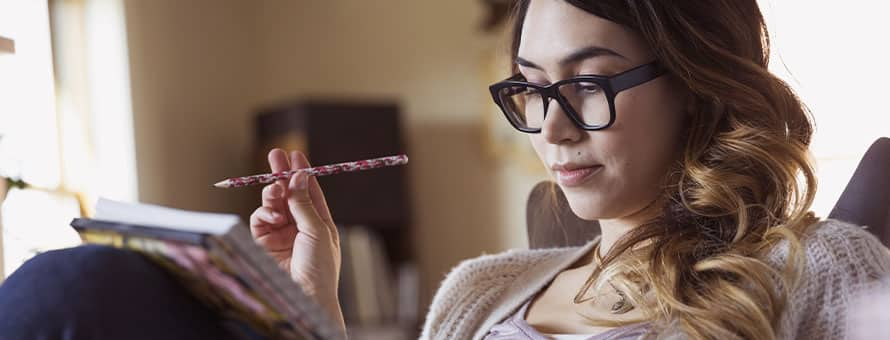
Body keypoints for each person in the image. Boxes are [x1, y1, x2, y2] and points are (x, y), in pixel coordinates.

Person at [1, 1, 888, 339]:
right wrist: (314, 314)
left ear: (695, 88)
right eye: (531, 91)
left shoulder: (817, 268)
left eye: (586, 86)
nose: (552, 127)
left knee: (76, 297)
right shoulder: (481, 290)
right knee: (77, 287)